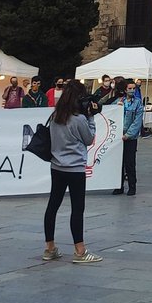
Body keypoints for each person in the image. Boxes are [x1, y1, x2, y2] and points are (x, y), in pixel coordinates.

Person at [42, 82, 102, 264]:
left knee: (53, 205)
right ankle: (80, 250)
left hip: (57, 166)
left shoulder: (55, 116)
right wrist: (91, 117)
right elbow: (89, 139)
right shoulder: (79, 119)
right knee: (77, 208)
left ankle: (50, 247)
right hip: (75, 167)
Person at [113, 79, 143, 196]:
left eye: (133, 88)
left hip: (130, 138)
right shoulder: (119, 101)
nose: (132, 90)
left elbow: (137, 121)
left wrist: (128, 134)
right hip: (118, 136)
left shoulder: (138, 103)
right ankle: (118, 185)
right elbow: (109, 113)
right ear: (125, 90)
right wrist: (116, 107)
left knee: (130, 162)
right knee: (118, 162)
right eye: (129, 88)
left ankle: (132, 185)